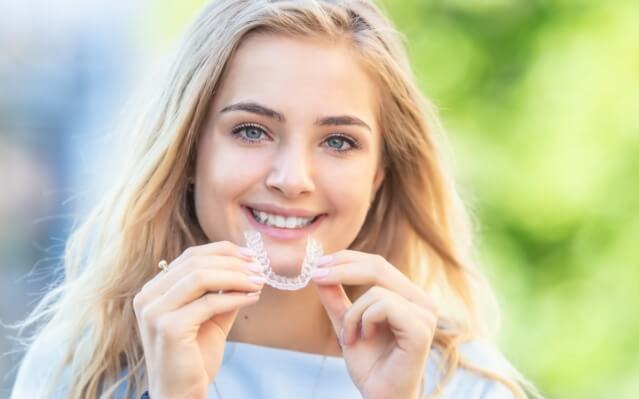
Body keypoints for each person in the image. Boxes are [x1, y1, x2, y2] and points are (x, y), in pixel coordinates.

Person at [9, 1, 542, 398]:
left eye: (338, 141)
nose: (292, 179)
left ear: (379, 175)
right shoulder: (78, 370)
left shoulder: (468, 385)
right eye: (251, 131)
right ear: (190, 151)